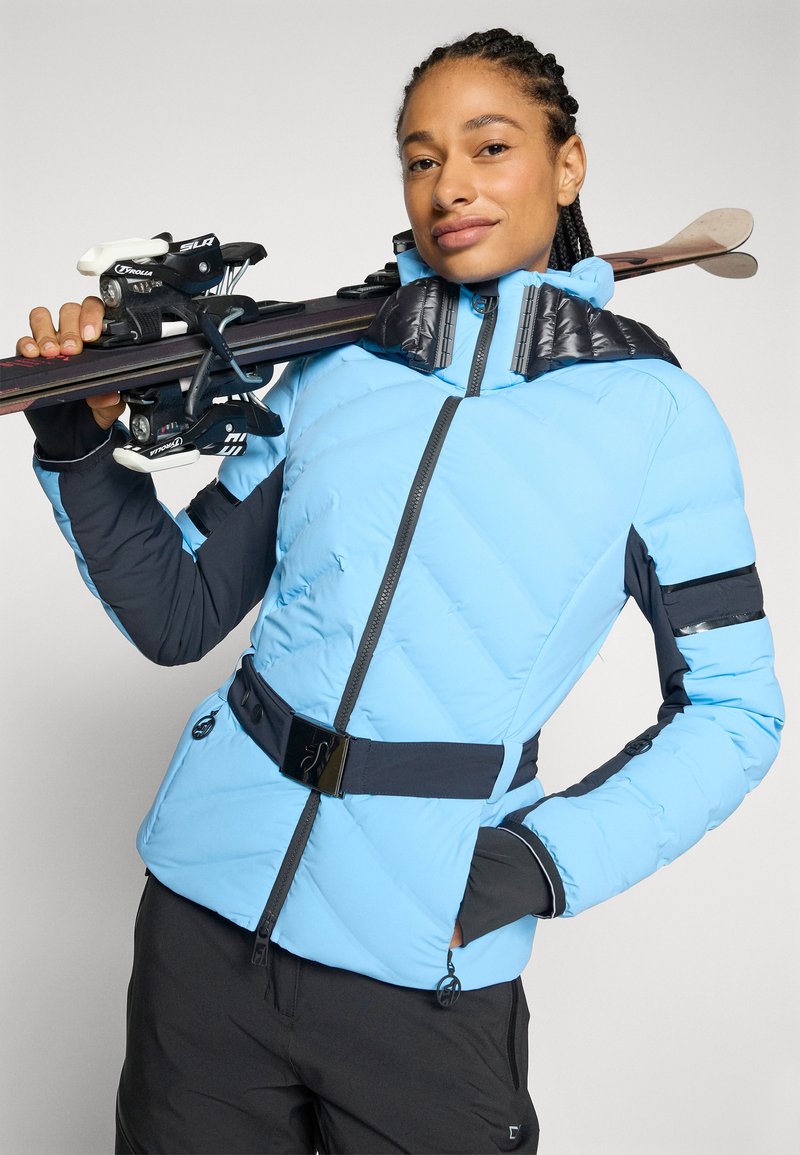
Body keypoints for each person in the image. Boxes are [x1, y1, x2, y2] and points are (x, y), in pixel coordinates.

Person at [16, 27, 783, 1155]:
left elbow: (736, 712)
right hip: (204, 929)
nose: (450, 186)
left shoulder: (657, 421)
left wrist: (539, 863)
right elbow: (178, 612)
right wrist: (77, 447)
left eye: (490, 147)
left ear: (567, 164)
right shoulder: (334, 367)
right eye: (422, 159)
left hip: (420, 968)